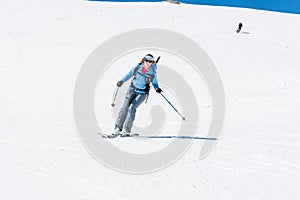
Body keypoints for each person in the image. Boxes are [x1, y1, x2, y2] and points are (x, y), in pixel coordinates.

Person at [112, 54, 162, 137]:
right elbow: (129, 74)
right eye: (147, 60)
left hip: (142, 93)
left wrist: (157, 88)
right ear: (144, 60)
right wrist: (121, 81)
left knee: (132, 108)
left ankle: (126, 130)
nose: (148, 63)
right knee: (124, 107)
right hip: (132, 90)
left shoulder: (152, 71)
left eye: (150, 61)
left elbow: (154, 82)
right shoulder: (138, 67)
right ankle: (117, 128)